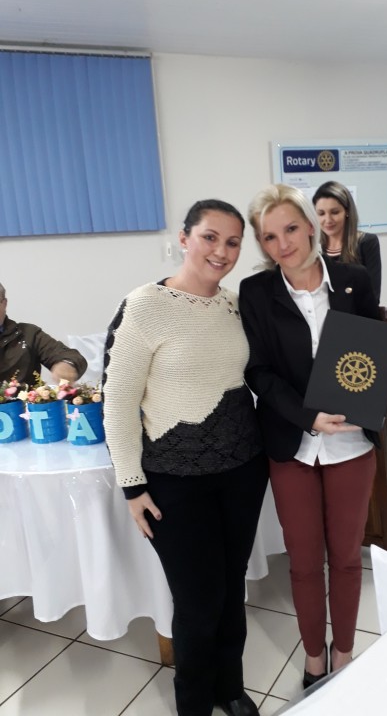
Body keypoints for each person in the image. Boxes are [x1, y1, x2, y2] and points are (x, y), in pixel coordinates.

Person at [238, 184, 387, 689]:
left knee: (345, 557)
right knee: (302, 562)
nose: (283, 244)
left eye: (291, 229)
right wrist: (307, 416)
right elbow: (258, 371)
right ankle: (313, 657)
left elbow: (370, 351)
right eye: (269, 236)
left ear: (312, 226)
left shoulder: (353, 280)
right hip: (292, 443)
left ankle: (343, 654)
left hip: (352, 444)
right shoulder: (256, 292)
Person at [102, 200, 268, 716]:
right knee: (198, 601)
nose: (222, 251)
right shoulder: (144, 305)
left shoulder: (235, 306)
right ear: (184, 238)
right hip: (174, 480)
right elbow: (118, 400)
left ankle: (230, 688)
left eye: (233, 242)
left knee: (231, 588)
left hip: (243, 470)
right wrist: (132, 486)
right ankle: (193, 703)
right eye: (209, 237)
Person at [0, 282, 87, 385]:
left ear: (4, 303)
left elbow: (71, 356)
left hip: (23, 395)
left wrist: (66, 366)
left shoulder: (29, 334)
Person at [312, 180, 382, 302]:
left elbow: (372, 297)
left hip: (356, 314)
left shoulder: (366, 243)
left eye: (335, 212)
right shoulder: (313, 247)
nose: (328, 220)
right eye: (321, 213)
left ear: (347, 211)